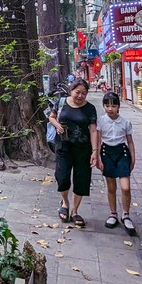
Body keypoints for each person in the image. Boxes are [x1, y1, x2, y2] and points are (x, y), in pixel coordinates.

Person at [48, 79, 99, 226]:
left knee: (81, 179)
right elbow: (51, 117)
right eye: (78, 92)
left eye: (84, 93)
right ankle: (65, 203)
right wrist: (57, 125)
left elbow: (93, 130)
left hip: (83, 148)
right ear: (71, 91)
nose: (80, 96)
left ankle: (75, 211)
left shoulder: (90, 109)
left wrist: (95, 151)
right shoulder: (61, 102)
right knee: (62, 177)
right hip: (63, 146)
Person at [97, 92, 137, 236]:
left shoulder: (125, 122)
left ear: (118, 106)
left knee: (125, 187)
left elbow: (130, 141)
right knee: (111, 186)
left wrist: (133, 157)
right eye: (107, 105)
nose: (110, 109)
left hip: (122, 153)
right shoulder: (100, 121)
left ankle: (125, 214)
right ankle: (113, 213)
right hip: (107, 153)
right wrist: (98, 157)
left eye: (113, 105)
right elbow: (98, 140)